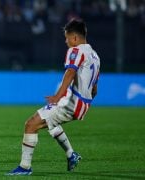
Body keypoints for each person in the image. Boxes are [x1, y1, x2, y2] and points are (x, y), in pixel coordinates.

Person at [7, 19, 100, 175]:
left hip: (72, 101)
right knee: (51, 123)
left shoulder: (76, 51)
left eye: (67, 37)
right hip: (83, 103)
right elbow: (95, 88)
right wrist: (85, 103)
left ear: (75, 38)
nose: (66, 41)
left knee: (31, 124)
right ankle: (71, 154)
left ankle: (24, 167)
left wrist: (58, 96)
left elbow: (70, 72)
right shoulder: (95, 56)